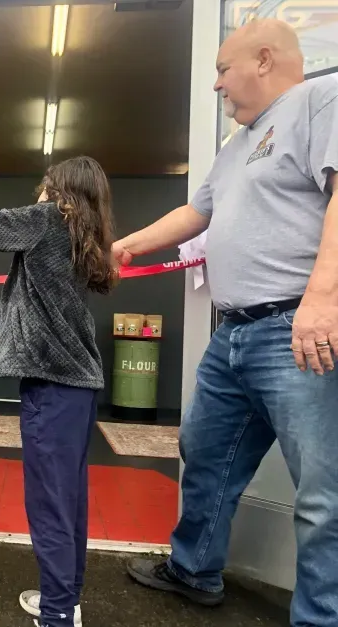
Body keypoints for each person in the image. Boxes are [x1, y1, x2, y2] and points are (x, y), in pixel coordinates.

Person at [114, 19, 338, 627]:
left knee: (322, 493)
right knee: (204, 451)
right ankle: (194, 570)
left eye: (221, 68)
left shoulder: (322, 99)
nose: (215, 85)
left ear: (263, 59)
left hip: (297, 327)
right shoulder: (238, 145)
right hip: (234, 332)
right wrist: (124, 247)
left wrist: (324, 298)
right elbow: (195, 211)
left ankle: (320, 617)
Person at [0, 156, 116, 627]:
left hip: (53, 390)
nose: (39, 192)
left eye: (44, 185)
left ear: (59, 190)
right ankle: (65, 599)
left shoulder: (49, 219)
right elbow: (20, 318)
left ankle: (58, 614)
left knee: (50, 504)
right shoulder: (76, 243)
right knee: (67, 500)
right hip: (75, 391)